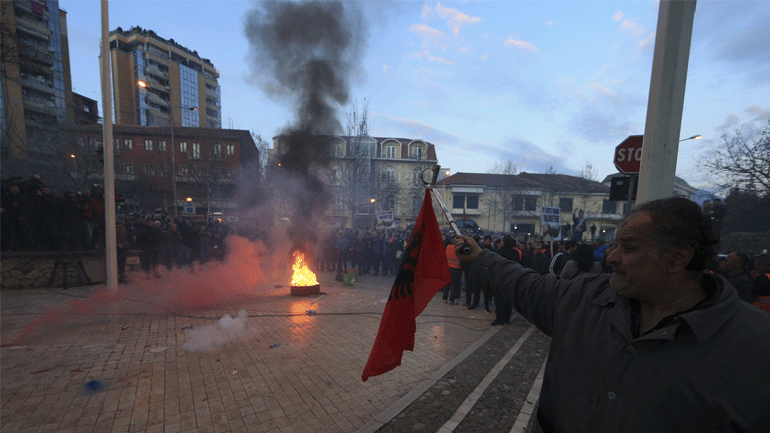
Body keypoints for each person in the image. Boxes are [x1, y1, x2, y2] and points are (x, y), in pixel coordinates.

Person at [453, 197, 770, 432]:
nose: (613, 257)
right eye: (615, 245)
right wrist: (477, 257)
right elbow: (524, 285)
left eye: (628, 247)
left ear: (677, 259)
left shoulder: (754, 348)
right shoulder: (586, 297)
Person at [489, 235, 521, 325]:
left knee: (498, 300)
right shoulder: (515, 252)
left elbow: (496, 266)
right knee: (508, 300)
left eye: (502, 241)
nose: (501, 242)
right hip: (511, 278)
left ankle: (499, 319)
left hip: (500, 278)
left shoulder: (500, 252)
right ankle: (507, 319)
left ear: (504, 242)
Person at [442, 237, 462, 304]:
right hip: (456, 269)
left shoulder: (448, 247)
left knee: (447, 285)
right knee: (454, 286)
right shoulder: (459, 249)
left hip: (448, 268)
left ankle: (444, 298)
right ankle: (451, 300)